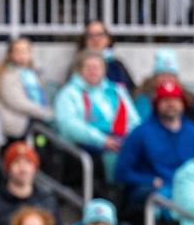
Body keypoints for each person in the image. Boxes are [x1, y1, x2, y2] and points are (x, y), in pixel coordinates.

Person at [114, 79, 194, 225]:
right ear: (156, 104)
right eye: (165, 100)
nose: (171, 104)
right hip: (153, 191)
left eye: (175, 100)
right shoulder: (140, 133)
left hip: (186, 188)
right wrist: (150, 180)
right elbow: (121, 173)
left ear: (182, 104)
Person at [54, 50, 139, 180]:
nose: (93, 71)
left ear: (104, 70)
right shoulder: (69, 93)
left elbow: (134, 121)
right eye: (88, 67)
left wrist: (125, 141)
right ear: (79, 70)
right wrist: (102, 140)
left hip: (120, 143)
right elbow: (69, 125)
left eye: (97, 67)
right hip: (85, 149)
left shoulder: (117, 90)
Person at [0, 36, 52, 141]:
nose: (22, 55)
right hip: (18, 123)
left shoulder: (34, 74)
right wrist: (42, 111)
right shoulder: (8, 75)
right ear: (10, 55)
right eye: (18, 52)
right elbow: (17, 102)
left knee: (43, 142)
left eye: (25, 51)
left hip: (35, 118)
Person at [134, 48, 194, 124]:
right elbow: (142, 122)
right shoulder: (144, 97)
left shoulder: (188, 97)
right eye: (162, 75)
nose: (166, 79)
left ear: (176, 78)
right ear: (155, 78)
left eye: (170, 75)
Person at [77, 20, 135, 92]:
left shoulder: (117, 65)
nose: (95, 39)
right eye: (90, 35)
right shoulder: (77, 64)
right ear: (84, 41)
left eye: (100, 35)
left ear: (108, 39)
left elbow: (129, 90)